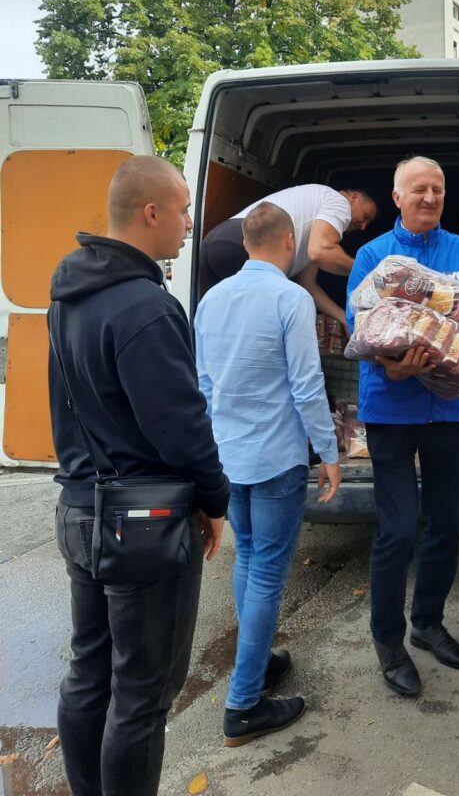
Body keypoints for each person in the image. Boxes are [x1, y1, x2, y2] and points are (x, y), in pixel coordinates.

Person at [48, 155, 230, 796]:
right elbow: (180, 426)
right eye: (183, 210)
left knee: (90, 673)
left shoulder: (69, 295)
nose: (189, 224)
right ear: (151, 213)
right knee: (142, 693)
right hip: (142, 524)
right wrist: (214, 499)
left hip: (81, 509)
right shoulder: (146, 307)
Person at [346, 156, 459, 697]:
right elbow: (360, 325)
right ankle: (388, 641)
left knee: (447, 524)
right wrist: (388, 365)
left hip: (450, 411)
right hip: (391, 408)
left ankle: (428, 623)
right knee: (396, 531)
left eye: (437, 189)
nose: (430, 198)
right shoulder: (374, 256)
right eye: (419, 190)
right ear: (397, 197)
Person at [195, 202, 342, 746]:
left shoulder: (211, 299)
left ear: (245, 243)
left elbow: (203, 384)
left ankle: (256, 664)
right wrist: (328, 452)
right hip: (276, 457)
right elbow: (306, 383)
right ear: (288, 242)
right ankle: (243, 704)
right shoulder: (290, 298)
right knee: (266, 572)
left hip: (228, 456)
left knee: (251, 557)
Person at [199, 183, 378, 331]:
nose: (363, 227)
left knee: (225, 326)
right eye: (365, 216)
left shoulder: (316, 226)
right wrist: (369, 272)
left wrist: (344, 319)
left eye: (367, 224)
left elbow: (308, 285)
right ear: (354, 198)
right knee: (259, 331)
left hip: (214, 242)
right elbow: (321, 251)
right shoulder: (339, 202)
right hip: (245, 242)